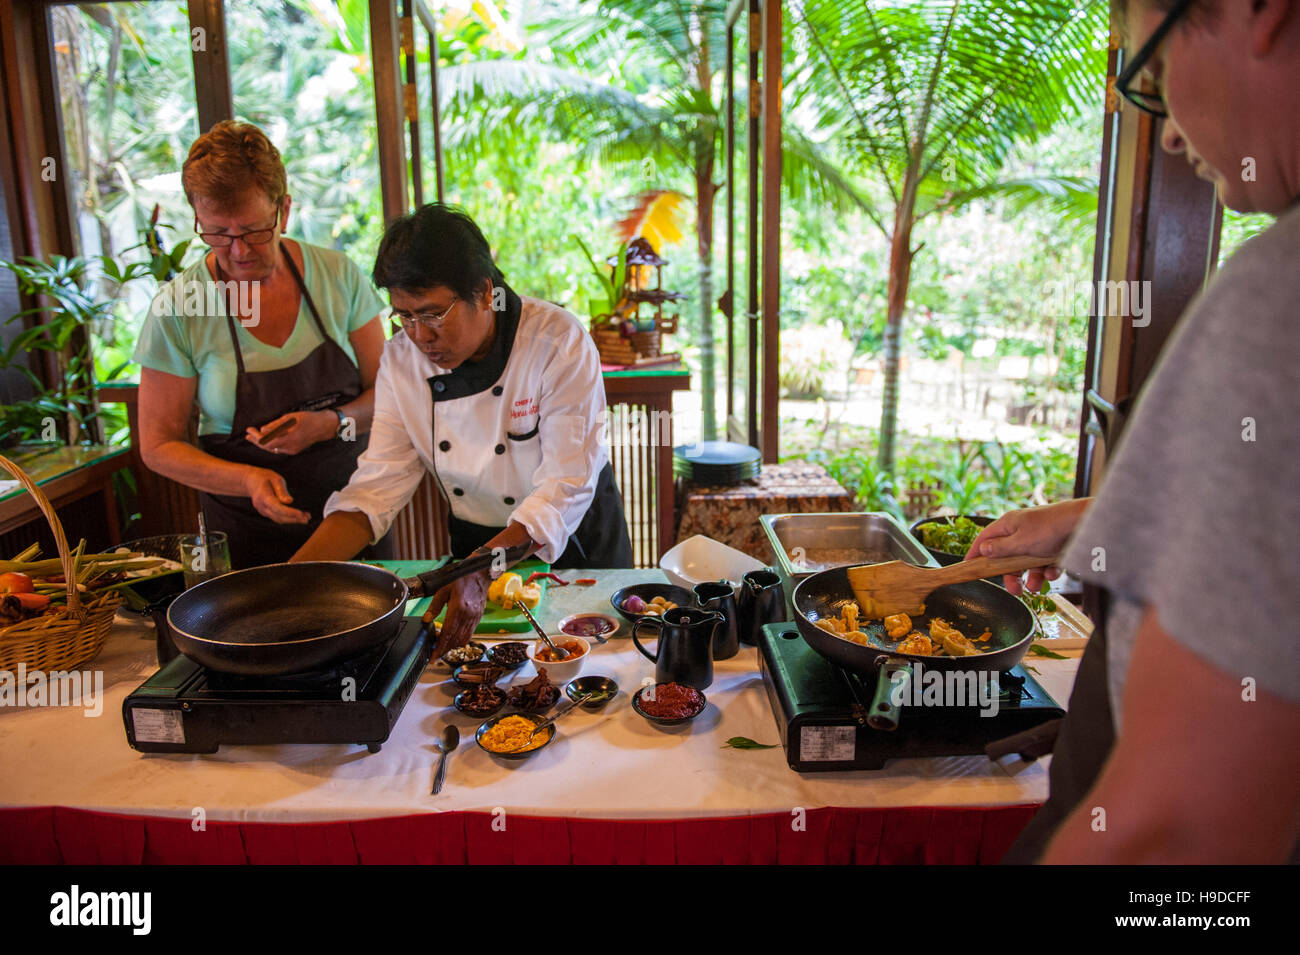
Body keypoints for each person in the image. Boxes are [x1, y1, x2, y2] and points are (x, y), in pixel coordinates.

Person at [967, 0, 1300, 863]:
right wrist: (1097, 514)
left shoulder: (1279, 301)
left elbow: (1180, 837)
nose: (1170, 130)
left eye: (1148, 74)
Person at [291, 203, 633, 652]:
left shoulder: (556, 341)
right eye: (404, 316)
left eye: (433, 314)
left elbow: (564, 486)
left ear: (484, 291)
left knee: (595, 673)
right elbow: (378, 485)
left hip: (570, 546)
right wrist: (289, 581)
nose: (420, 335)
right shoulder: (401, 361)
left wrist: (481, 566)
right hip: (475, 550)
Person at [135, 120, 388, 568]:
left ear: (283, 210)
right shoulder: (179, 308)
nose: (237, 250)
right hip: (245, 539)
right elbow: (158, 445)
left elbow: (390, 395)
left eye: (254, 230)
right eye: (217, 233)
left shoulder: (337, 276)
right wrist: (248, 479)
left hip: (354, 519)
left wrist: (332, 422)